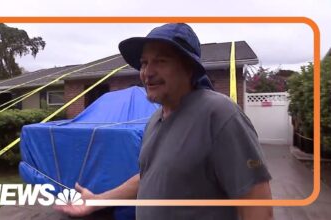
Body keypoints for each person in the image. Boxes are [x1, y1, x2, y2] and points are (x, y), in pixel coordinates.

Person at [55, 23, 273, 220]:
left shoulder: (219, 115)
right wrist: (99, 200)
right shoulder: (155, 120)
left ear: (188, 67)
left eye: (160, 61)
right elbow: (151, 176)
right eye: (144, 63)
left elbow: (257, 205)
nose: (147, 73)